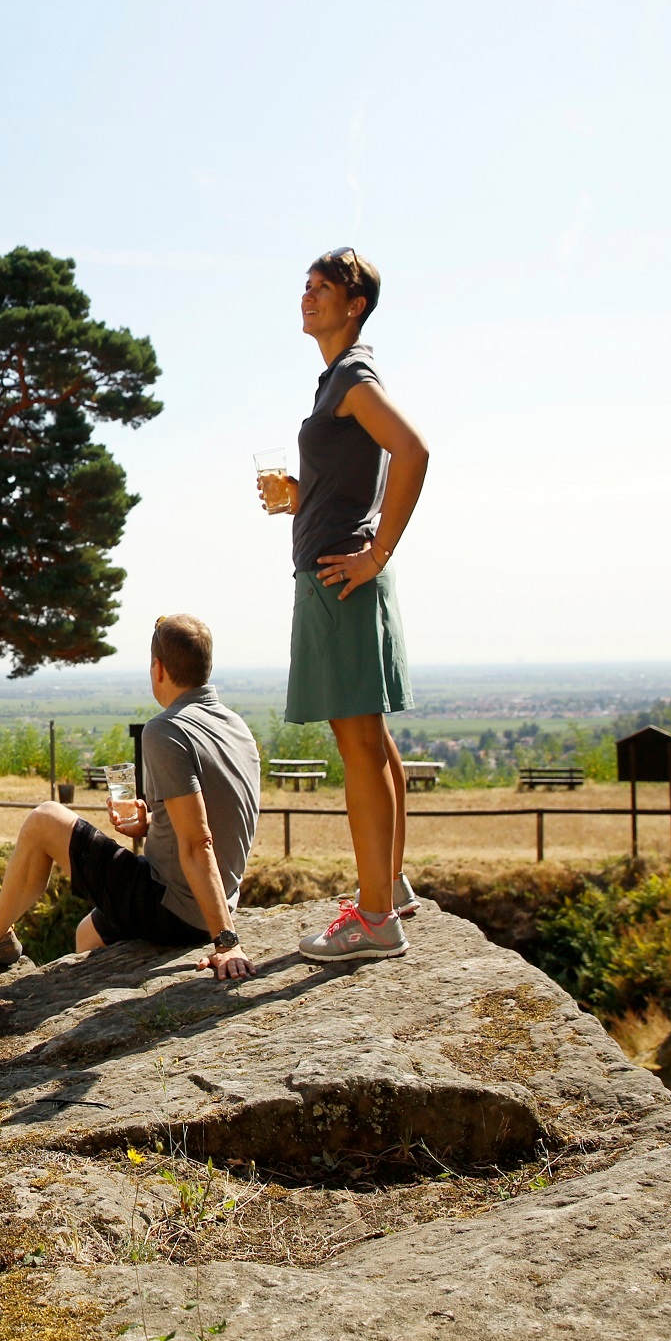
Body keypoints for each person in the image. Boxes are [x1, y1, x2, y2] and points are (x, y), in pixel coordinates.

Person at [259, 248, 429, 962]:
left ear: (355, 303)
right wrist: (299, 496)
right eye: (306, 285)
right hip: (341, 576)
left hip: (343, 581)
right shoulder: (335, 381)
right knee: (372, 740)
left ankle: (375, 918)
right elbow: (357, 477)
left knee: (357, 744)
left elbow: (414, 451)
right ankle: (387, 884)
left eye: (324, 287)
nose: (309, 295)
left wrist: (376, 552)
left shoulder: (353, 377)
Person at [0, 614, 261, 980]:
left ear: (158, 668)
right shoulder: (235, 725)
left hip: (178, 909)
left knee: (45, 819)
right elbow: (218, 815)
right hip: (214, 901)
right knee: (89, 932)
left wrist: (227, 941)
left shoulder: (166, 730)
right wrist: (151, 822)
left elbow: (198, 842)